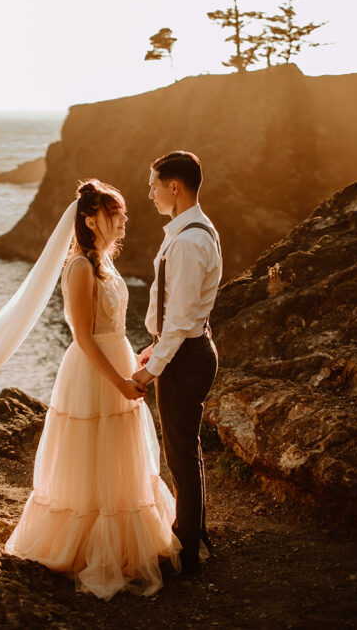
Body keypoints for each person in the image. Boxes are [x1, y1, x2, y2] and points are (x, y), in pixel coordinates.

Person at [5, 179, 181, 600]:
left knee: (118, 453)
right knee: (91, 453)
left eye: (121, 212)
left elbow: (110, 326)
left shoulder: (104, 261)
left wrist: (134, 356)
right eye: (113, 213)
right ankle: (86, 546)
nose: (123, 219)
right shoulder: (80, 266)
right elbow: (83, 337)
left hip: (116, 358)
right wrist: (119, 381)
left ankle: (120, 543)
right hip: (92, 372)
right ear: (89, 220)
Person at [132, 151, 222, 575]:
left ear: (174, 187)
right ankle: (193, 533)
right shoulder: (192, 230)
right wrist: (156, 346)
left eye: (154, 186)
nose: (149, 194)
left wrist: (152, 368)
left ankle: (187, 550)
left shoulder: (188, 242)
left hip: (186, 356)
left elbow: (181, 319)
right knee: (187, 450)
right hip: (187, 347)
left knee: (181, 453)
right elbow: (182, 312)